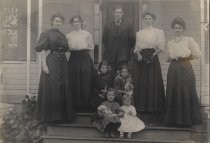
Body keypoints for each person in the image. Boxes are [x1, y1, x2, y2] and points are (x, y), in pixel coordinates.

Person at [35, 13, 74, 123]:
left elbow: (66, 50)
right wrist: (44, 65)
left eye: (60, 21)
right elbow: (43, 50)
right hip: (51, 61)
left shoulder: (62, 35)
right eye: (56, 21)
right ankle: (51, 117)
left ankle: (62, 116)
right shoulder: (46, 34)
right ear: (52, 22)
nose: (58, 23)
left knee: (63, 86)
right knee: (53, 87)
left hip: (62, 62)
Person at [165, 17, 202, 127]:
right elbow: (170, 55)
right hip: (173, 68)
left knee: (185, 90)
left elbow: (197, 54)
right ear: (173, 29)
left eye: (179, 28)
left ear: (183, 29)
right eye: (175, 28)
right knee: (173, 90)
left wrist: (185, 57)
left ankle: (186, 120)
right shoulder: (170, 42)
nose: (177, 30)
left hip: (185, 67)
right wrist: (172, 58)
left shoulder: (189, 40)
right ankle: (173, 120)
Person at [133, 12, 166, 124]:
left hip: (153, 56)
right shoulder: (139, 33)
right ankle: (142, 107)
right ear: (143, 20)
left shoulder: (158, 32)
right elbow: (137, 47)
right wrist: (139, 55)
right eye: (146, 18)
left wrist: (153, 56)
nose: (148, 20)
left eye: (150, 18)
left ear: (153, 20)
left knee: (152, 81)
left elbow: (161, 47)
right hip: (142, 58)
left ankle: (153, 108)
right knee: (142, 81)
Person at [66, 16, 94, 113]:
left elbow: (90, 49)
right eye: (74, 22)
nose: (76, 23)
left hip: (85, 58)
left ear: (81, 23)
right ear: (72, 23)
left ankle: (85, 105)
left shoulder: (87, 34)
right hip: (73, 58)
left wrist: (92, 63)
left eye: (78, 21)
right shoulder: (68, 35)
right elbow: (67, 51)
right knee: (74, 81)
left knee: (85, 81)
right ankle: (76, 106)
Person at [102, 5, 135, 76]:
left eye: (120, 12)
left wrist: (124, 49)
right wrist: (112, 48)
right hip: (110, 56)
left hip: (123, 56)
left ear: (123, 14)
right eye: (116, 12)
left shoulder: (128, 25)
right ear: (113, 13)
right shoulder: (108, 25)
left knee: (123, 75)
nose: (118, 14)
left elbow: (132, 40)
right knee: (110, 75)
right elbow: (104, 40)